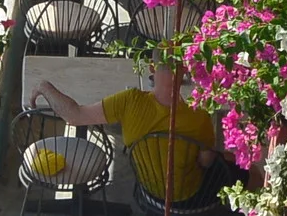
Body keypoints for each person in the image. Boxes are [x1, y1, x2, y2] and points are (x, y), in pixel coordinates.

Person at [32, 64, 218, 204]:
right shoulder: (200, 116)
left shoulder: (129, 101)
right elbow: (206, 162)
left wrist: (44, 87)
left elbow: (74, 116)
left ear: (152, 68)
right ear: (185, 72)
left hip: (149, 190)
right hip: (188, 197)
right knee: (228, 167)